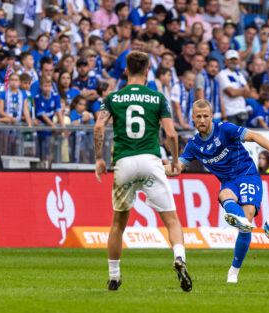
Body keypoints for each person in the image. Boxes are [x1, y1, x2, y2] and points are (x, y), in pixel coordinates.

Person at [93, 50, 192, 292]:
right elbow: (171, 134)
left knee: (118, 224)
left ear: (125, 71)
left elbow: (98, 127)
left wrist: (99, 159)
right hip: (151, 160)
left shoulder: (112, 98)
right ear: (148, 71)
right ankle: (179, 258)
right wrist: (175, 161)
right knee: (172, 221)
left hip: (124, 163)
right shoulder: (157, 98)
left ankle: (114, 277)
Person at [165, 98, 269, 283]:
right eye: (198, 116)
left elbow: (254, 136)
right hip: (228, 181)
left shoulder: (225, 129)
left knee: (247, 219)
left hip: (247, 174)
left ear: (211, 117)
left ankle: (234, 270)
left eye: (205, 116)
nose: (202, 120)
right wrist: (156, 170)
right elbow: (177, 169)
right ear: (192, 118)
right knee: (224, 195)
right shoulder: (193, 145)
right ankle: (239, 220)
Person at [218, 50, 249, 126]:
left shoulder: (239, 74)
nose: (233, 61)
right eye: (230, 59)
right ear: (226, 60)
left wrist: (237, 91)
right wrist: (242, 90)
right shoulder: (222, 74)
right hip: (230, 113)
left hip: (242, 111)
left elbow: (248, 91)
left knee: (242, 137)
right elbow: (232, 93)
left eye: (235, 59)